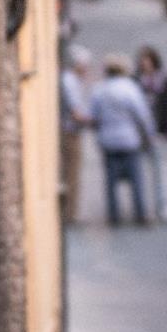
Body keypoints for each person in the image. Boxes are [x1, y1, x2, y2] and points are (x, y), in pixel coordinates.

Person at [89, 53, 155, 227]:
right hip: (129, 139)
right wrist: (149, 135)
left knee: (110, 180)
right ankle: (140, 214)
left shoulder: (100, 89)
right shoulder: (130, 88)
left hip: (108, 139)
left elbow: (94, 116)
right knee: (136, 179)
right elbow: (143, 114)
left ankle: (114, 216)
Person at [136, 44, 167, 222]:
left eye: (148, 62)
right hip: (140, 134)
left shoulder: (165, 82)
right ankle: (144, 208)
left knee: (160, 171)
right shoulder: (136, 82)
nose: (145, 65)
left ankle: (163, 205)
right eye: (143, 62)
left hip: (159, 132)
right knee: (141, 172)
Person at [59, 44, 93, 225]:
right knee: (72, 173)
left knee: (70, 173)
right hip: (70, 132)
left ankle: (70, 211)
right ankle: (70, 213)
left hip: (70, 130)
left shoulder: (71, 80)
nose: (87, 69)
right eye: (85, 65)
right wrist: (93, 121)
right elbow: (75, 113)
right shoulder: (70, 81)